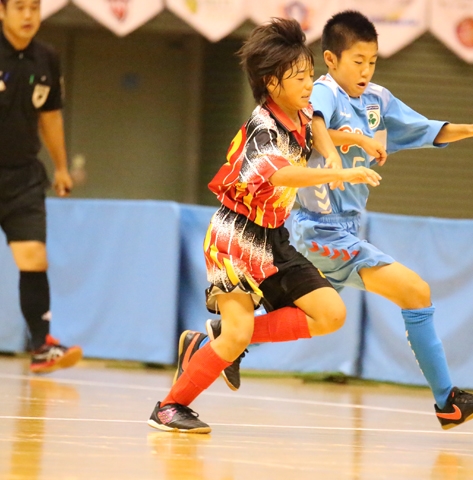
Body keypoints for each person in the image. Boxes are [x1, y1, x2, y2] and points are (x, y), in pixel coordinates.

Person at [147, 18, 381, 434]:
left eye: (310, 74)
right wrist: (339, 175)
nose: (310, 84)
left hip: (274, 237)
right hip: (235, 238)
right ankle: (169, 406)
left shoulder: (302, 110)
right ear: (272, 84)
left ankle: (212, 341)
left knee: (330, 314)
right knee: (235, 338)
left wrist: (357, 143)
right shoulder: (263, 129)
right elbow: (283, 175)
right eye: (300, 78)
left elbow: (319, 131)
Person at [290, 10, 473, 430]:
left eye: (372, 61)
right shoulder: (323, 93)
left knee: (318, 319)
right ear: (332, 60)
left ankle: (220, 337)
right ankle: (448, 401)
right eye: (358, 61)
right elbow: (314, 124)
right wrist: (342, 152)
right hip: (317, 227)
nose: (366, 70)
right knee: (415, 290)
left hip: (347, 229)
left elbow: (425, 129)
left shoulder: (378, 100)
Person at [0, 0, 82, 373]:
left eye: (34, 7)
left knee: (33, 258)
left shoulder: (46, 57)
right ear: (2, 11)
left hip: (22, 178)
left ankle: (41, 346)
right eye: (19, 7)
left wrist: (61, 167)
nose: (28, 15)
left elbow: (50, 116)